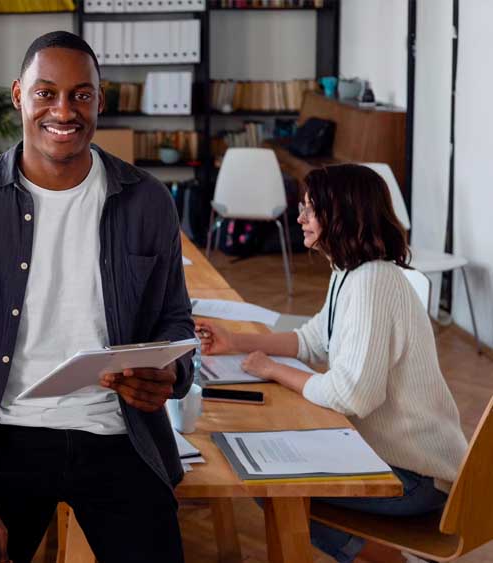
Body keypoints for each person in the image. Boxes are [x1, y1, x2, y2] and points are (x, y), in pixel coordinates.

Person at [0, 31, 195, 563]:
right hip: (7, 434)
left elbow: (174, 320)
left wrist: (170, 374)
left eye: (81, 94)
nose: (63, 110)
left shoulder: (147, 200)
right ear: (19, 95)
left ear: (100, 99)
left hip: (119, 432)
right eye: (46, 93)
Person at [196, 164, 468, 563]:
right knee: (262, 472)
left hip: (418, 477)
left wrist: (273, 370)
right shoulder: (349, 272)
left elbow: (351, 395)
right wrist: (236, 341)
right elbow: (313, 340)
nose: (300, 218)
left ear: (341, 215)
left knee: (267, 482)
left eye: (311, 210)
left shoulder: (373, 283)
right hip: (386, 456)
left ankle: (388, 560)